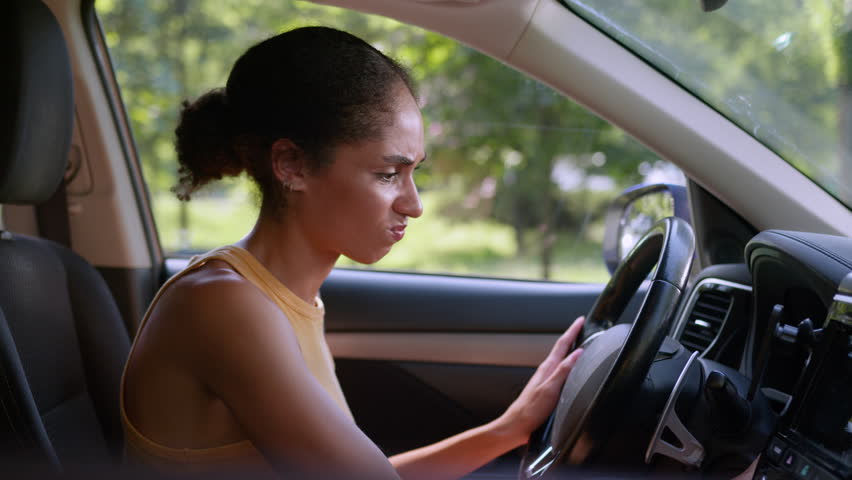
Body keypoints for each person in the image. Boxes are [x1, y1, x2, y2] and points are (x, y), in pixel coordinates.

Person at [120, 26, 585, 479]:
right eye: (388, 174)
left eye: (413, 172)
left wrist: (508, 430)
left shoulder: (289, 298)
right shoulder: (223, 305)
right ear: (292, 165)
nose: (415, 205)